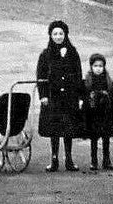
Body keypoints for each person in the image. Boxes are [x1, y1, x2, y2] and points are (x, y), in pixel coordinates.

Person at [35, 19, 85, 172]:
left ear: (65, 35)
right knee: (54, 129)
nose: (58, 36)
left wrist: (80, 97)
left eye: (60, 34)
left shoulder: (73, 52)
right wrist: (43, 96)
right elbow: (41, 77)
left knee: (68, 128)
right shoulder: (45, 54)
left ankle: (69, 159)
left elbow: (78, 75)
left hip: (69, 97)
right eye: (55, 34)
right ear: (50, 35)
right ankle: (54, 159)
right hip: (53, 97)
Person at [84, 53, 113, 171]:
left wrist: (108, 96)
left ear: (104, 67)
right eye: (95, 66)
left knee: (106, 137)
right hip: (93, 113)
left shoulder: (108, 80)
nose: (98, 68)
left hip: (106, 113)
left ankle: (106, 160)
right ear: (91, 67)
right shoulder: (88, 80)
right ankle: (94, 161)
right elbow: (83, 93)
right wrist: (90, 98)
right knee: (94, 138)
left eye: (100, 66)